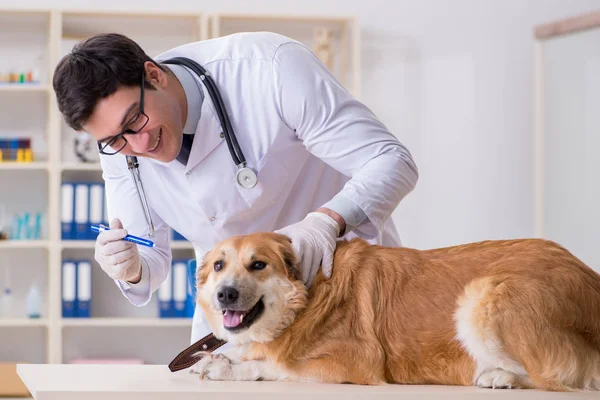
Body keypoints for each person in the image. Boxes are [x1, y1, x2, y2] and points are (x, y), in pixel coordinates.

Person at [52, 31, 419, 346]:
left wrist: (325, 222)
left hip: (342, 293)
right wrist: (128, 267)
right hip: (235, 321)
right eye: (116, 140)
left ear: (154, 75)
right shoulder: (119, 147)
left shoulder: (271, 69)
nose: (138, 145)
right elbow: (149, 263)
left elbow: (390, 161)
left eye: (135, 120)